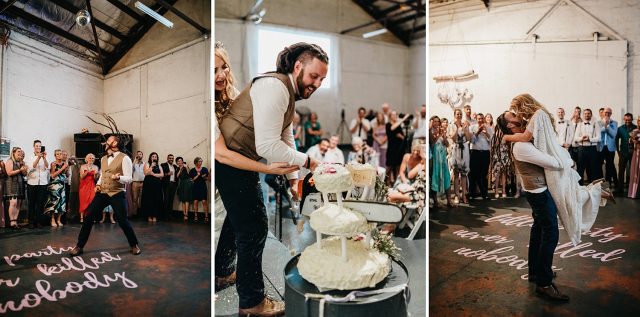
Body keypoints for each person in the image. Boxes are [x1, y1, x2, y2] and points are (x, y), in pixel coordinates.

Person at [216, 42, 328, 316]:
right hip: (232, 162)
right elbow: (268, 146)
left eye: (323, 80)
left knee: (237, 219)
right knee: (254, 227)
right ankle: (253, 303)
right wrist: (309, 162)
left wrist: (293, 178)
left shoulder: (287, 92)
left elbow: (285, 137)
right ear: (298, 66)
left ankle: (221, 272)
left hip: (243, 161)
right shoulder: (276, 87)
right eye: (314, 76)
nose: (317, 84)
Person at [501, 94, 613, 245]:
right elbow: (529, 139)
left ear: (523, 105)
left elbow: (527, 137)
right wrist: (565, 161)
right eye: (513, 114)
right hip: (548, 172)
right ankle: (597, 191)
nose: (517, 114)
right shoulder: (538, 118)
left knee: (565, 199)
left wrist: (506, 138)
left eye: (516, 110)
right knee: (565, 199)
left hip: (552, 166)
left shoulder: (537, 116)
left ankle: (597, 192)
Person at [498, 113, 569, 302]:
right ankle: (544, 284)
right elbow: (553, 163)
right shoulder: (521, 146)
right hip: (539, 194)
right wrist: (564, 158)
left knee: (539, 231)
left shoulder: (521, 142)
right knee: (550, 233)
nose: (518, 116)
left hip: (536, 192)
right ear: (510, 126)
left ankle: (535, 272)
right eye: (512, 116)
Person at [69, 135, 142, 256]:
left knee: (123, 221)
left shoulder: (125, 158)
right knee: (89, 216)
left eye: (108, 140)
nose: (105, 142)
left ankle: (134, 244)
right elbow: (103, 174)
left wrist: (119, 177)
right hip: (103, 192)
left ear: (115, 143)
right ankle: (79, 246)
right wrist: (98, 184)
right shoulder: (103, 158)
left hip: (117, 192)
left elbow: (129, 178)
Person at [448, 108, 472, 204]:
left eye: (460, 114)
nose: (459, 116)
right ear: (454, 115)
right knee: (456, 173)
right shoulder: (451, 125)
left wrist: (465, 129)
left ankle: (464, 195)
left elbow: (468, 138)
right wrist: (458, 128)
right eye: (457, 114)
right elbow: (453, 139)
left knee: (464, 174)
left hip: (464, 149)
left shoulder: (465, 124)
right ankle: (457, 195)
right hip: (456, 148)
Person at [24, 140, 49, 228]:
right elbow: (32, 167)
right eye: (37, 146)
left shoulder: (44, 156)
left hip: (42, 183)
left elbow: (47, 166)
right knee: (31, 203)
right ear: (34, 147)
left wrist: (44, 157)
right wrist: (38, 158)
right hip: (32, 183)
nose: (38, 147)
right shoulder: (29, 157)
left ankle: (39, 221)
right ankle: (31, 221)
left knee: (40, 203)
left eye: (40, 146)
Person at [574, 109, 602, 185]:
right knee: (580, 169)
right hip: (581, 148)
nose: (587, 115)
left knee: (593, 169)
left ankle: (593, 188)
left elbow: (599, 138)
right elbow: (575, 138)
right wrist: (581, 138)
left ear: (591, 114)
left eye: (588, 113)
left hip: (592, 149)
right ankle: (579, 187)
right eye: (585, 114)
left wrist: (590, 139)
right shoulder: (579, 124)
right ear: (583, 115)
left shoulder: (595, 124)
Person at [469, 113, 493, 200]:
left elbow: (492, 141)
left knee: (484, 174)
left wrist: (486, 133)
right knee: (473, 174)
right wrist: (478, 132)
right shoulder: (472, 127)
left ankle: (485, 194)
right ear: (476, 119)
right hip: (475, 152)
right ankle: (472, 194)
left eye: (482, 118)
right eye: (479, 119)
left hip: (485, 153)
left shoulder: (489, 128)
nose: (480, 120)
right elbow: (471, 141)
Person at [429, 116, 452, 208]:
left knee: (447, 177)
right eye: (434, 121)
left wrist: (444, 136)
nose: (436, 123)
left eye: (437, 121)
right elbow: (432, 143)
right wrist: (438, 134)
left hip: (442, 158)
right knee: (435, 178)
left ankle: (449, 201)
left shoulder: (442, 132)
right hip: (435, 157)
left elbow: (447, 144)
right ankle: (435, 202)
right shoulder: (430, 132)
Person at [3, 147, 27, 229]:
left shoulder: (21, 162)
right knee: (13, 202)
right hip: (11, 183)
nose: (20, 153)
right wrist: (20, 170)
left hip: (20, 183)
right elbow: (9, 173)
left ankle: (15, 220)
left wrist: (24, 169)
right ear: (14, 152)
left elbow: (24, 174)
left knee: (19, 203)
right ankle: (11, 221)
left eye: (21, 152)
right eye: (18, 151)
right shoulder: (10, 161)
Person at [44, 149, 69, 227]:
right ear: (55, 156)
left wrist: (66, 169)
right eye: (57, 154)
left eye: (60, 154)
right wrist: (62, 168)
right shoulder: (53, 164)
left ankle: (58, 219)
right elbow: (53, 175)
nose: (59, 155)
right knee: (54, 202)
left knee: (62, 202)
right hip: (54, 185)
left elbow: (66, 175)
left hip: (62, 184)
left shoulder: (65, 163)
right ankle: (52, 219)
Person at [490, 123, 514, 198]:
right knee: (497, 174)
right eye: (499, 128)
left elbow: (509, 147)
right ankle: (496, 190)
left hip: (505, 157)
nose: (500, 130)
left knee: (504, 174)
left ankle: (503, 190)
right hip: (497, 157)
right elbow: (492, 148)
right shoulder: (494, 137)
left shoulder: (506, 136)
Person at [386, 110, 409, 185]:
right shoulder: (388, 124)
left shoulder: (399, 125)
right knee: (389, 165)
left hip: (399, 147)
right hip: (392, 147)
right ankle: (386, 181)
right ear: (390, 116)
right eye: (393, 115)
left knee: (398, 165)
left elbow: (403, 136)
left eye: (396, 114)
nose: (395, 116)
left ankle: (396, 182)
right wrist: (403, 119)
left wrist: (401, 136)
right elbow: (392, 128)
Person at [617, 113, 637, 196]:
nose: (627, 121)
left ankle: (632, 190)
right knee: (621, 172)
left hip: (634, 153)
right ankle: (620, 190)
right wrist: (618, 151)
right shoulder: (620, 128)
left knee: (634, 172)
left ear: (632, 119)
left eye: (629, 120)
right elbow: (616, 140)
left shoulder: (636, 128)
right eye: (626, 120)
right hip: (623, 153)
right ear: (624, 119)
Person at [598, 107, 618, 188]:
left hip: (610, 148)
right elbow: (597, 133)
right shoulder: (598, 122)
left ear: (611, 114)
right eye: (606, 112)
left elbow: (613, 134)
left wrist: (607, 125)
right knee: (599, 165)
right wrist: (605, 126)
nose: (607, 114)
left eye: (609, 113)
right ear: (603, 113)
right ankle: (600, 185)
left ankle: (607, 185)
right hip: (600, 147)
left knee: (609, 166)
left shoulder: (614, 123)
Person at [141, 152, 164, 223]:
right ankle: (149, 216)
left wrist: (153, 174)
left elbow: (162, 175)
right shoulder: (147, 164)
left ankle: (155, 215)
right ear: (150, 157)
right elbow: (146, 173)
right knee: (149, 199)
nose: (154, 158)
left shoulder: (159, 166)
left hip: (157, 185)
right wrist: (151, 166)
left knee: (156, 199)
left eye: (155, 157)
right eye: (153, 156)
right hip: (148, 184)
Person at [79, 153, 99, 223]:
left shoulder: (96, 167)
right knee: (83, 200)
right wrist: (87, 171)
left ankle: (91, 217)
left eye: (92, 158)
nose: (91, 159)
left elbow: (96, 179)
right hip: (84, 185)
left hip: (92, 184)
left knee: (92, 201)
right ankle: (81, 217)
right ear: (86, 159)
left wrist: (96, 175)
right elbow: (82, 177)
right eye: (90, 158)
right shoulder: (82, 166)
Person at [189, 157, 208, 222]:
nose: (201, 162)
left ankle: (206, 216)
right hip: (195, 187)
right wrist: (198, 175)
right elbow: (192, 180)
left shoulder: (204, 169)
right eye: (199, 161)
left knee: (204, 201)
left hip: (202, 186)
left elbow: (206, 179)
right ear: (196, 162)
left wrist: (204, 177)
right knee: (195, 201)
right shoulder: (192, 170)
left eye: (201, 161)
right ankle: (196, 216)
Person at [161, 154, 178, 220]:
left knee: (171, 200)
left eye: (172, 158)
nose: (171, 159)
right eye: (170, 158)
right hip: (166, 184)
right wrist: (167, 174)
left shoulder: (174, 166)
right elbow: (161, 174)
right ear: (167, 159)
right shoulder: (163, 165)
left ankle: (170, 215)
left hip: (173, 184)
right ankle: (165, 216)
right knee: (166, 200)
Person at [175, 157, 192, 221]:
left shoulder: (186, 166)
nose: (180, 162)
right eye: (178, 161)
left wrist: (186, 167)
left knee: (187, 199)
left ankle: (186, 214)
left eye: (181, 161)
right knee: (182, 199)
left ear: (182, 161)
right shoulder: (177, 168)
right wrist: (180, 169)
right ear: (177, 162)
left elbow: (189, 174)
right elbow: (177, 176)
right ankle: (184, 213)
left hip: (187, 183)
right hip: (181, 183)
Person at [628, 116, 640, 198]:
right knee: (635, 171)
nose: (639, 122)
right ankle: (635, 193)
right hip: (637, 153)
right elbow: (630, 143)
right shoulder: (635, 131)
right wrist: (632, 140)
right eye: (639, 121)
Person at [131, 151, 145, 217]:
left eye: (140, 154)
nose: (139, 155)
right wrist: (135, 160)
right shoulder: (134, 163)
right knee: (135, 199)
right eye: (138, 154)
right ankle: (134, 213)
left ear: (142, 155)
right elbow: (130, 170)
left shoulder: (144, 164)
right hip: (135, 183)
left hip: (142, 182)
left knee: (142, 198)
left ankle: (142, 213)